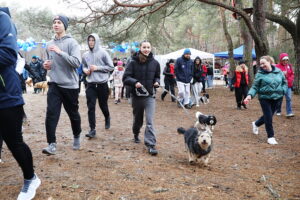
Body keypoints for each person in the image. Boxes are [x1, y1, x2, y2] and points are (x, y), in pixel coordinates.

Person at [0, 7, 41, 199]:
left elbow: (8, 54)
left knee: (14, 142)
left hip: (7, 94)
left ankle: (30, 178)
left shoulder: (2, 19)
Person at [42, 15, 82, 155]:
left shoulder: (72, 43)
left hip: (70, 85)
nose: (56, 25)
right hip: (54, 84)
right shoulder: (48, 44)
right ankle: (51, 144)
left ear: (65, 25)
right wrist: (46, 65)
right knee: (51, 114)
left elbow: (77, 63)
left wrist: (60, 52)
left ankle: (77, 135)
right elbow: (48, 62)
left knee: (73, 114)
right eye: (54, 22)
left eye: (59, 22)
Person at [123, 41, 160, 155]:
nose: (146, 49)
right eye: (144, 47)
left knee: (149, 121)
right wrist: (135, 83)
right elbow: (126, 78)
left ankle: (150, 144)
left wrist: (157, 82)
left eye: (148, 47)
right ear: (140, 48)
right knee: (138, 120)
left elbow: (157, 77)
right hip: (137, 96)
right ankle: (136, 133)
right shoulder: (133, 62)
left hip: (150, 96)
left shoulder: (155, 63)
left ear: (150, 48)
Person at [244, 56, 287, 145]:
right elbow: (255, 87)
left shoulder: (278, 72)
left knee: (269, 115)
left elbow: (284, 82)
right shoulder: (259, 74)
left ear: (270, 62)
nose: (262, 65)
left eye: (264, 63)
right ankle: (270, 137)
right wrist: (249, 95)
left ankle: (256, 124)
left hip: (277, 98)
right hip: (264, 98)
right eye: (261, 64)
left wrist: (283, 90)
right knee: (268, 117)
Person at [82, 33, 114, 138]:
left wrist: (97, 68)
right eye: (89, 40)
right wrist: (85, 70)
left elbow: (110, 67)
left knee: (102, 105)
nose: (91, 42)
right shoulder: (85, 55)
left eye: (93, 40)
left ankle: (107, 117)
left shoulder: (103, 53)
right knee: (91, 107)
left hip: (102, 84)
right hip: (90, 84)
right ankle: (92, 129)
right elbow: (84, 66)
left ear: (97, 41)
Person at [275, 53, 295, 117]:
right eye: (284, 60)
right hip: (280, 85)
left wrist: (290, 79)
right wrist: (281, 74)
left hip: (288, 85)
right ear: (281, 60)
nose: (285, 61)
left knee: (289, 98)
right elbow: (275, 75)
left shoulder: (289, 66)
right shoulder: (277, 66)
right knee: (279, 98)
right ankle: (278, 110)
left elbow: (292, 74)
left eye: (286, 60)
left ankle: (289, 112)